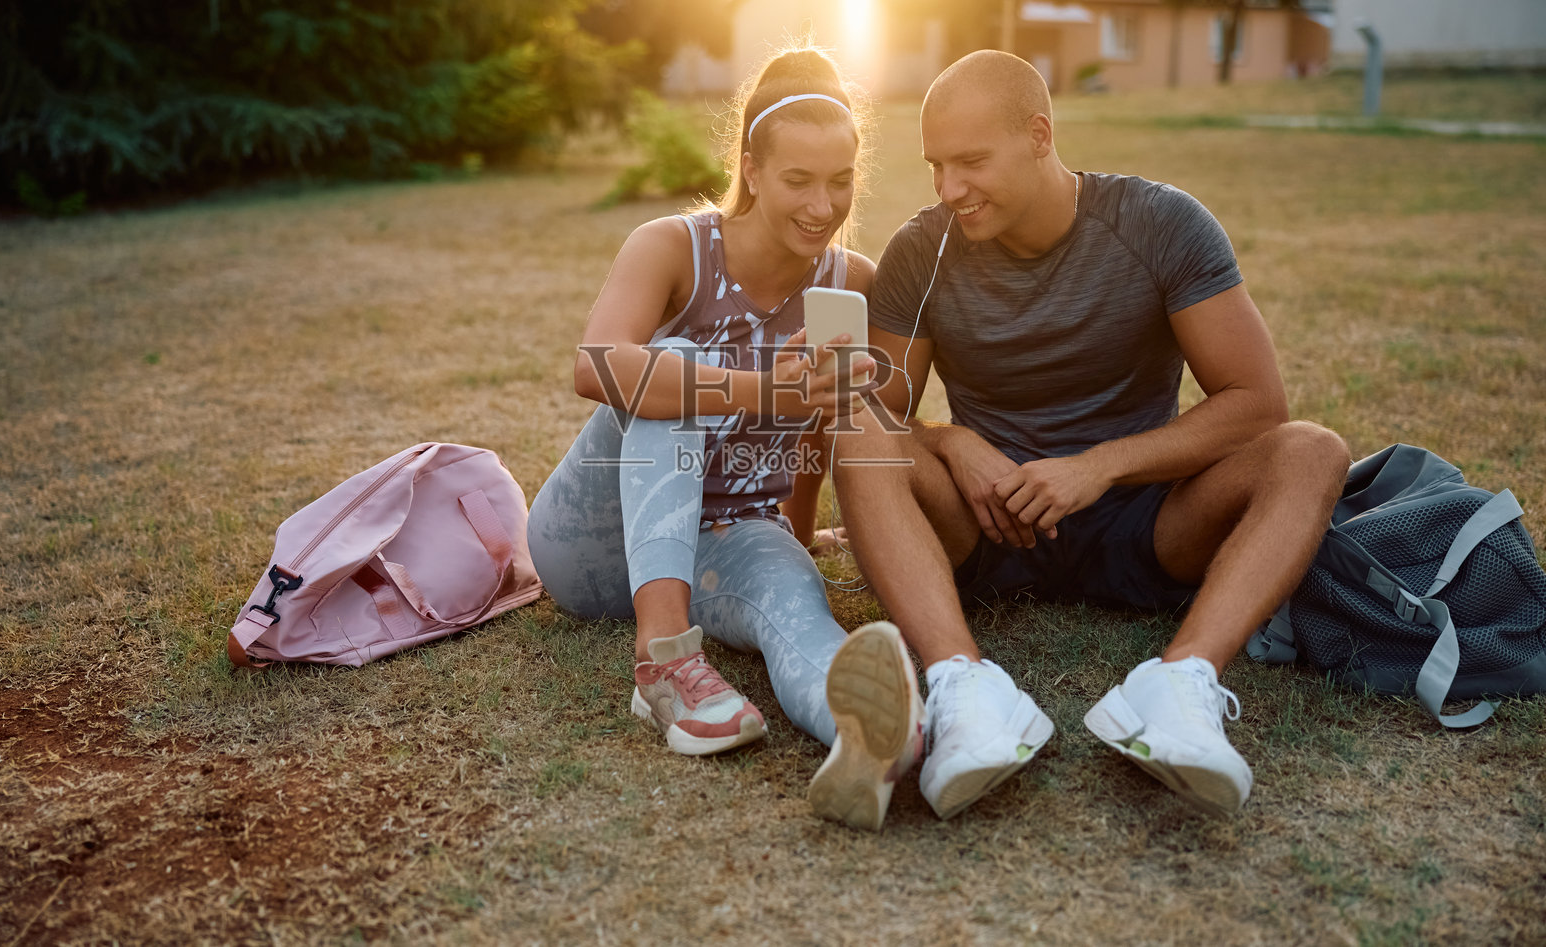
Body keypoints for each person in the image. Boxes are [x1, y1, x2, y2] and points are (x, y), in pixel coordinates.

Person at [823, 50, 1350, 820]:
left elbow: (1255, 401)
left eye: (971, 161)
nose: (949, 188)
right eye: (936, 165)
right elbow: (885, 411)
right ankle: (964, 688)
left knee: (1313, 448)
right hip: (988, 523)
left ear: (1039, 135)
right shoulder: (922, 249)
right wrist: (952, 442)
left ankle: (1180, 685)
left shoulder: (1161, 224)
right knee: (852, 418)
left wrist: (1099, 466)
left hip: (1141, 518)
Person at [526, 46, 925, 831]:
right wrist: (761, 389)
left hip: (732, 534)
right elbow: (595, 365)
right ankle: (665, 664)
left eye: (841, 180)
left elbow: (822, 426)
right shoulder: (673, 245)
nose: (824, 204)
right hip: (596, 543)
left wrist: (801, 534)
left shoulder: (850, 281)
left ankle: (872, 737)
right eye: (798, 180)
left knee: (799, 611)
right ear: (750, 165)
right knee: (669, 364)